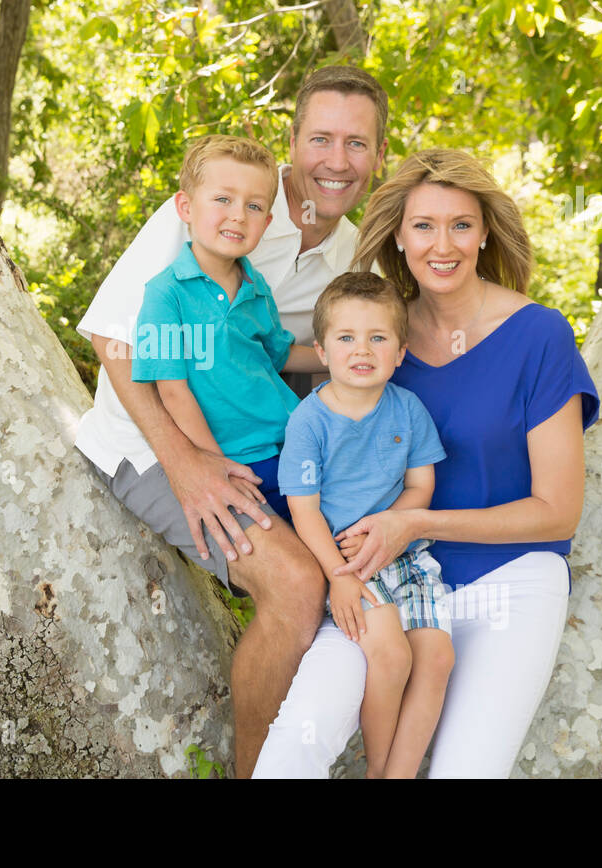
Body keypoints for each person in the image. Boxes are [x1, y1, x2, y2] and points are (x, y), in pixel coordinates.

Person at [76, 66, 388, 776]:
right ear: (292, 141)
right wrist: (187, 465)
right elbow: (114, 339)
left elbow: (296, 357)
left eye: (357, 144)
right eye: (321, 139)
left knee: (356, 558)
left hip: (262, 448)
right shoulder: (215, 207)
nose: (336, 161)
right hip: (152, 443)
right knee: (296, 584)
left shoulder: (347, 254)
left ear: (378, 154)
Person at [254, 148, 599, 778]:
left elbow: (557, 512)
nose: (443, 245)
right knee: (290, 753)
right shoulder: (376, 337)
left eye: (461, 225)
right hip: (377, 579)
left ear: (485, 232)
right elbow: (276, 390)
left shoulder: (538, 335)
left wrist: (415, 524)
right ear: (398, 236)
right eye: (423, 226)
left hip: (507, 582)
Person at [278, 271, 454, 778]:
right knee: (393, 658)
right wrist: (339, 575)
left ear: (400, 352)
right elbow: (304, 509)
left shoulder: (408, 409)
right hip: (348, 560)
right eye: (347, 337)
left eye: (378, 338)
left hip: (405, 552)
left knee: (437, 658)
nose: (363, 349)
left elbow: (421, 487)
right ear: (323, 350)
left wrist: (388, 525)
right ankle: (379, 770)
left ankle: (400, 771)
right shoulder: (309, 421)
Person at [132, 135, 326, 556]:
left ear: (267, 222)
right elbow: (172, 391)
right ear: (186, 207)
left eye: (254, 206)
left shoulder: (255, 286)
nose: (238, 216)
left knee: (337, 543)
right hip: (241, 461)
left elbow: (280, 355)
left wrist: (339, 359)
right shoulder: (166, 294)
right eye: (223, 199)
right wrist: (215, 465)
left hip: (294, 442)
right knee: (295, 561)